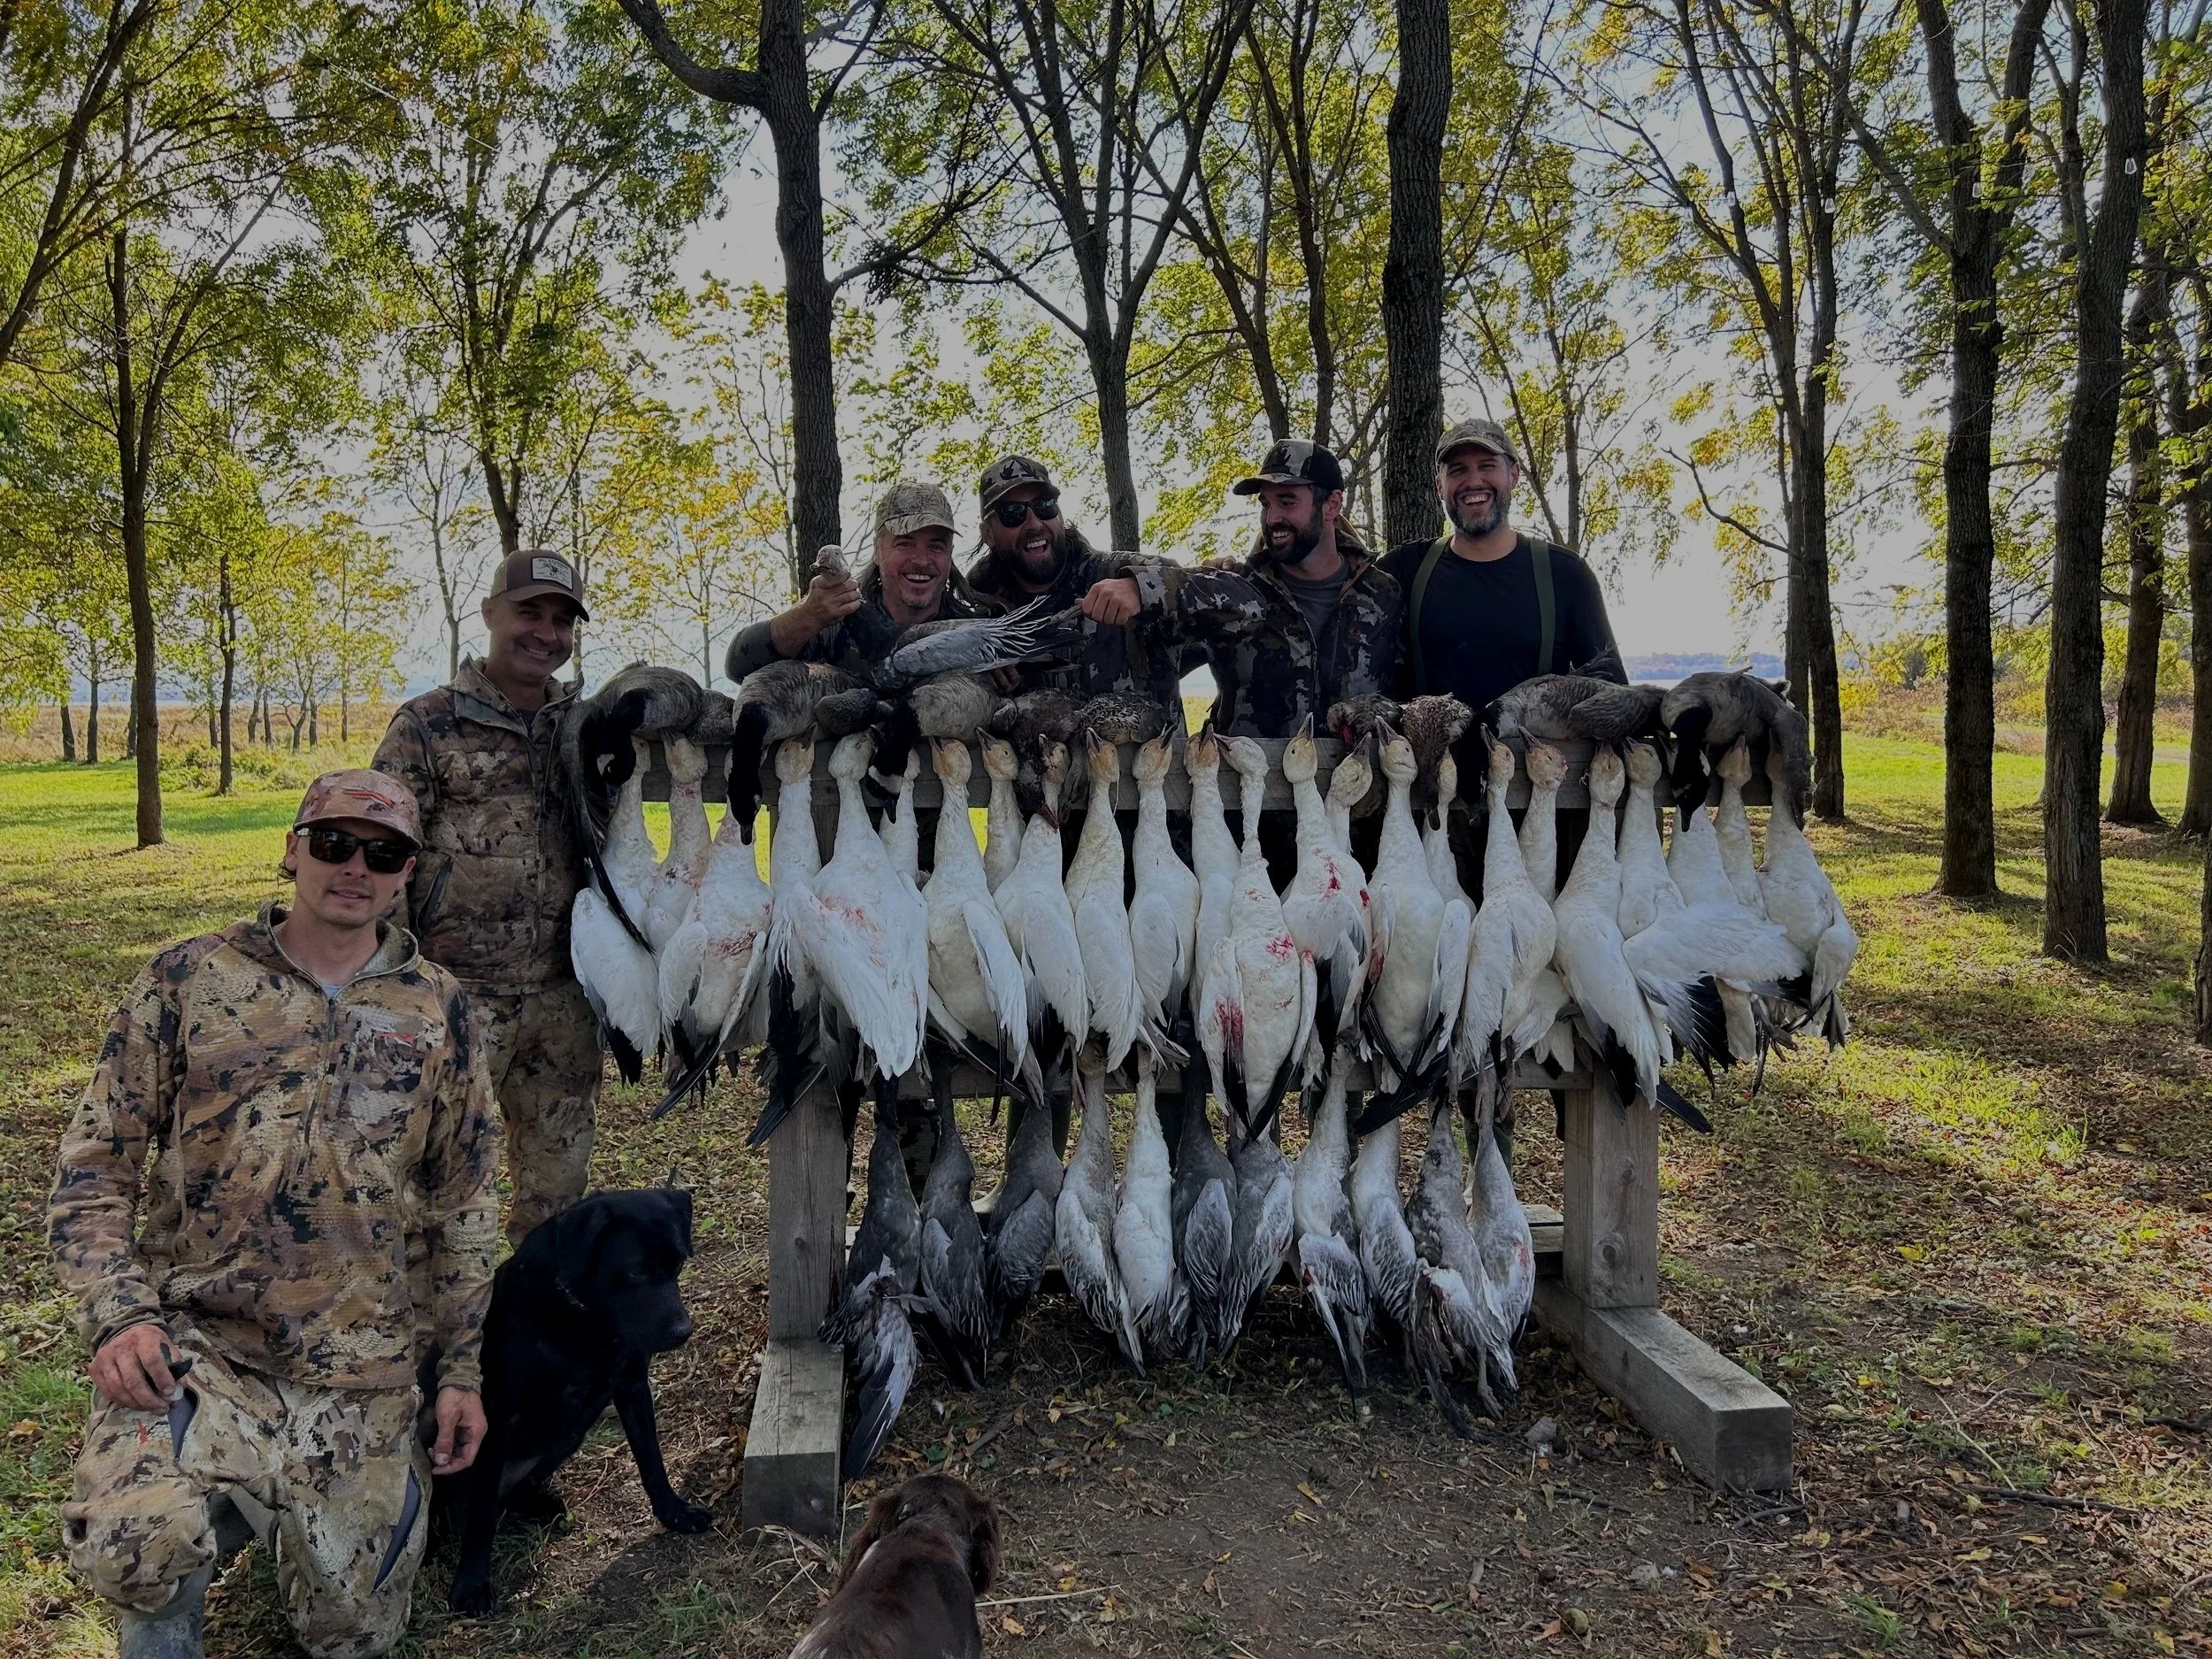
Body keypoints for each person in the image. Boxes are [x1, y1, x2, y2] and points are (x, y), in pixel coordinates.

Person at [50, 772, 501, 1659]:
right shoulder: (188, 977)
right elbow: (97, 1163)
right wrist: (118, 1317)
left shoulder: (440, 1008)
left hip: (361, 1361)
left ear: (407, 871)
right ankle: (194, 1535)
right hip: (201, 1346)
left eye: (383, 853)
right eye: (332, 843)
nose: (354, 868)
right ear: (292, 848)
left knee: (353, 1633)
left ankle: (274, 1505)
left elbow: (467, 1206)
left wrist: (461, 1372)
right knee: (138, 1549)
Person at [374, 549, 599, 1247]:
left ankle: (532, 1335)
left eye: (562, 619)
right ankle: (436, 1341)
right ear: (491, 614)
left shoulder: (585, 728)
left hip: (565, 999)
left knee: (556, 1195)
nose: (546, 633)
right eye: (529, 612)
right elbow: (384, 852)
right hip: (457, 999)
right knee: (439, 1187)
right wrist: (396, 983)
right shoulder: (427, 724)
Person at [1079, 439, 1402, 742]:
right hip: (1250, 796)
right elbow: (1161, 649)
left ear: (1331, 505)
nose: (1272, 517)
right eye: (1265, 504)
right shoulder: (1237, 590)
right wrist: (1140, 588)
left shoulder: (1383, 595)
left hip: (1357, 791)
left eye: (1287, 502)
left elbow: (1405, 697)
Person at [1380, 417, 1625, 713]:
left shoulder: (1566, 576)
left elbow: (1615, 700)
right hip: (1428, 758)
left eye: (1487, 465)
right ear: (1439, 486)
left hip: (1538, 758)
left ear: (1514, 475)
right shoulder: (1405, 571)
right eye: (1458, 470)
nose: (1473, 482)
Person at [964, 455, 1187, 710]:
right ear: (988, 534)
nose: (1034, 523)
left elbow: (1231, 596)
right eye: (1012, 513)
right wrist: (977, 668)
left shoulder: (1117, 572)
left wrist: (1143, 589)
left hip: (1152, 749)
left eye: (1045, 505)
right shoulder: (980, 619)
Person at [726, 481, 994, 681]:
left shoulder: (976, 632)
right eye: (905, 543)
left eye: (936, 546)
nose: (922, 560)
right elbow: (739, 667)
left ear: (950, 554)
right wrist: (807, 616)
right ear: (878, 551)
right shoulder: (837, 623)